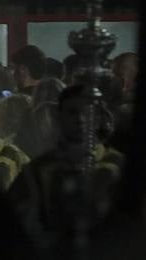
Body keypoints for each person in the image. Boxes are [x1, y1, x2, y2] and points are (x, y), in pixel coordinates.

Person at [8, 84, 126, 250]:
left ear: (99, 118)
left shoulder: (117, 165)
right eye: (72, 112)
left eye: (88, 113)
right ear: (59, 117)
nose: (81, 119)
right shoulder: (39, 169)